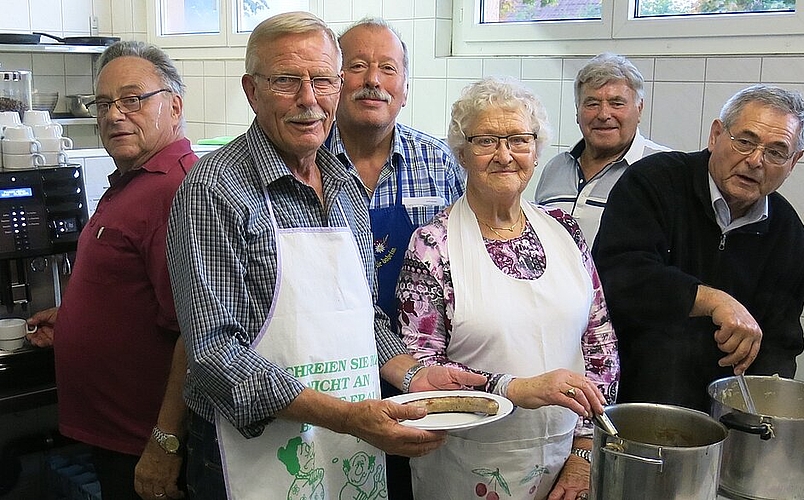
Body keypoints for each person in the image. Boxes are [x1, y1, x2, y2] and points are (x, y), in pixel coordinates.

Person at [164, 12, 484, 500]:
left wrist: (414, 374)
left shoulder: (342, 183)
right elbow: (213, 355)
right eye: (287, 81)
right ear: (252, 90)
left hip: (346, 440)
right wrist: (346, 415)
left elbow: (362, 316)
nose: (308, 100)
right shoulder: (214, 189)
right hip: (250, 448)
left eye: (322, 81)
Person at [396, 77, 619, 500]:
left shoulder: (565, 231)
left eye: (519, 139)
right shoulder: (432, 245)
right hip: (465, 462)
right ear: (461, 153)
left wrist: (585, 449)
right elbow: (425, 373)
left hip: (564, 462)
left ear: (536, 151)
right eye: (486, 141)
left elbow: (600, 344)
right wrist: (514, 388)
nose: (504, 155)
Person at [26, 40, 194, 499]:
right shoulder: (136, 180)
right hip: (117, 434)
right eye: (104, 103)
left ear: (174, 106)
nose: (115, 114)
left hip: (142, 438)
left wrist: (165, 444)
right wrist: (79, 318)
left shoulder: (174, 192)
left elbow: (194, 334)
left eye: (133, 99)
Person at [592, 84, 804, 412]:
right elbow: (617, 276)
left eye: (776, 152)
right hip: (630, 406)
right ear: (716, 135)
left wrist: (763, 417)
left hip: (725, 419)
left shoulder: (787, 231)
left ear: (793, 162)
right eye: (745, 141)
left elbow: (780, 343)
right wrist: (711, 300)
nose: (755, 161)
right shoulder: (654, 182)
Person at [326, 17, 466, 498]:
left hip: (424, 374)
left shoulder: (439, 162)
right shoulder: (303, 163)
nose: (372, 81)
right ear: (332, 81)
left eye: (388, 68)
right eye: (357, 66)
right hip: (327, 376)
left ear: (405, 88)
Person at [535, 53, 669, 241]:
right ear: (577, 110)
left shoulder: (666, 170)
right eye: (592, 104)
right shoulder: (555, 167)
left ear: (639, 109)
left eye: (616, 103)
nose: (604, 114)